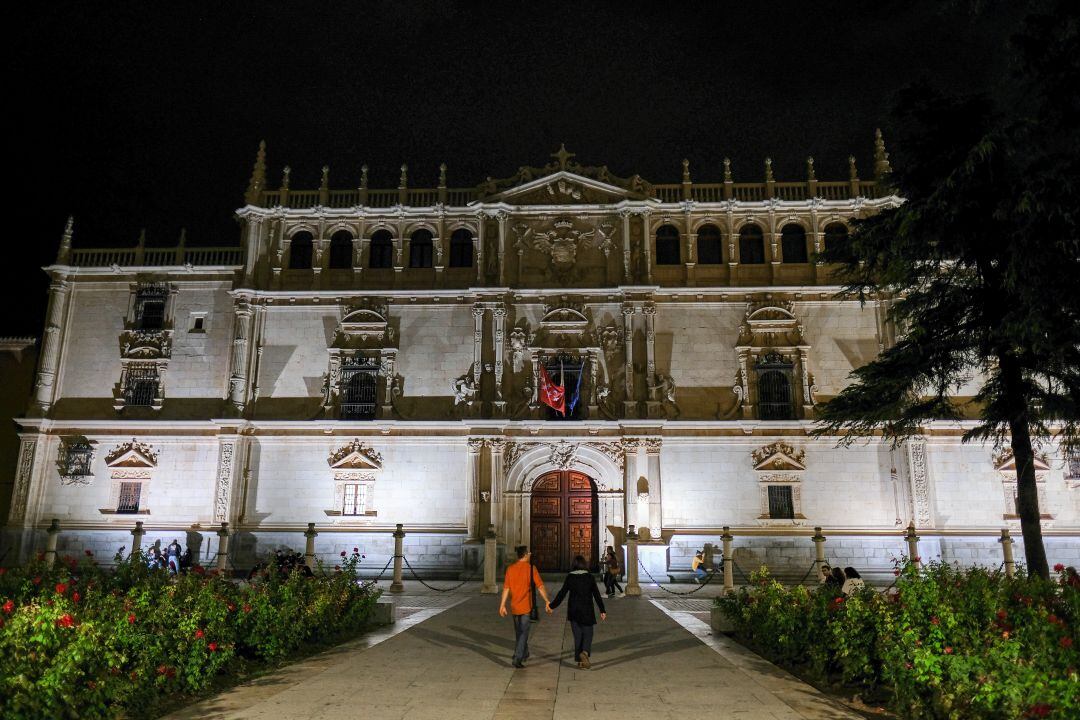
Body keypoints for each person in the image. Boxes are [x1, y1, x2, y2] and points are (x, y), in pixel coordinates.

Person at [548, 555, 607, 669]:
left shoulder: (570, 577)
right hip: (587, 610)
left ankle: (580, 660)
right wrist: (602, 609)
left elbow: (562, 593)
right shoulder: (589, 577)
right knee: (588, 633)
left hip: (573, 610)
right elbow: (596, 594)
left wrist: (552, 606)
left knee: (578, 636)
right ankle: (584, 653)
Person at [498, 545, 552, 668]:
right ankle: (517, 657)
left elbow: (506, 588)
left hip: (514, 606)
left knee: (519, 632)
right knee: (523, 633)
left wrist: (502, 605)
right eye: (529, 553)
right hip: (526, 607)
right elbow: (540, 586)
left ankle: (525, 652)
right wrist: (547, 601)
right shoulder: (531, 569)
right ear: (526, 555)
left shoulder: (510, 569)